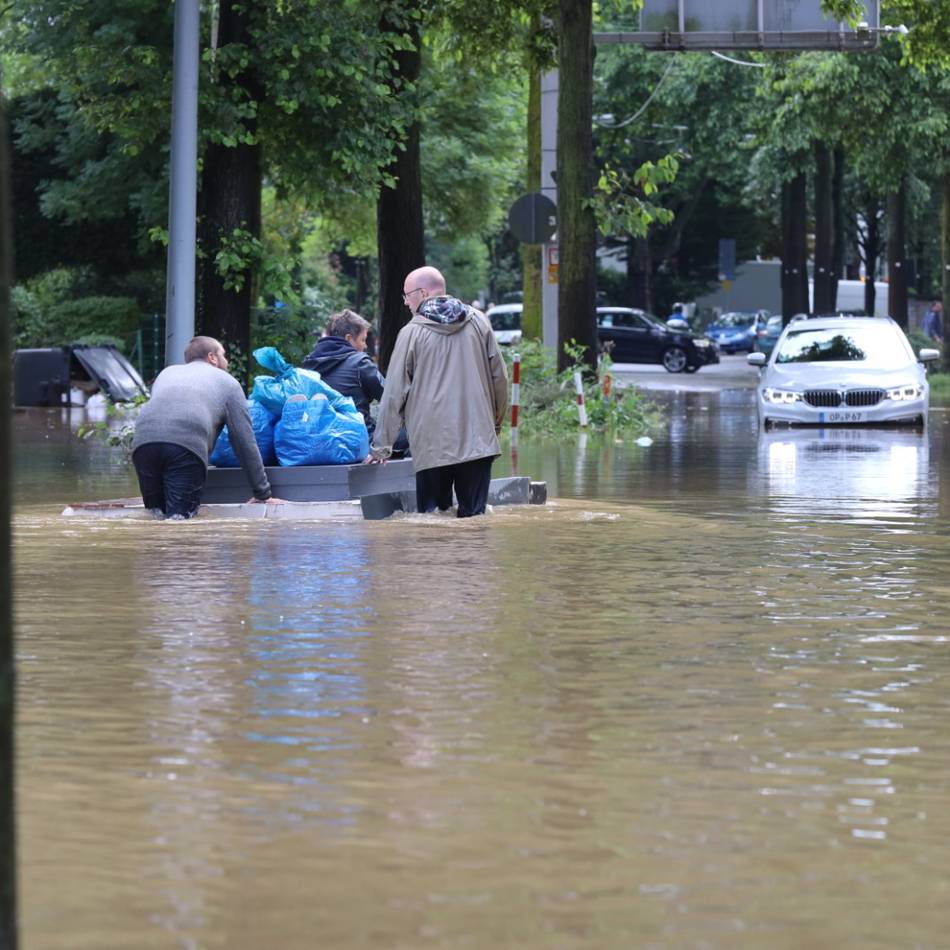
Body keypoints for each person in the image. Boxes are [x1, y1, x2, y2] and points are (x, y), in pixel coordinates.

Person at [369, 266, 508, 518]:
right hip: (478, 439)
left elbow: (394, 394)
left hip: (431, 445)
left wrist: (381, 447)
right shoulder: (479, 322)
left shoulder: (411, 333)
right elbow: (500, 377)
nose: (405, 302)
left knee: (433, 522)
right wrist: (494, 424)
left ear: (422, 293)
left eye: (407, 295)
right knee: (475, 521)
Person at [131, 335, 276, 518]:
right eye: (224, 355)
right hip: (185, 445)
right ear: (212, 357)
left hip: (143, 443)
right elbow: (244, 441)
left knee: (155, 515)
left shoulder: (166, 373)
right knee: (179, 521)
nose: (227, 361)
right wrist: (262, 493)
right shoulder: (228, 382)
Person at [301, 309, 408, 455]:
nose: (365, 346)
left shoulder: (308, 364)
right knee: (414, 434)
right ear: (349, 339)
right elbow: (391, 397)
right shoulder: (360, 362)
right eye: (363, 340)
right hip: (358, 439)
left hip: (317, 441)